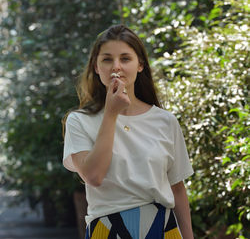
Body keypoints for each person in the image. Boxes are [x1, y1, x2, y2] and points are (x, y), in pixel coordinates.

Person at [63, 24, 194, 239]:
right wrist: (111, 114)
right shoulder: (79, 121)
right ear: (96, 67)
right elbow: (93, 176)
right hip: (106, 231)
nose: (116, 67)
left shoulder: (165, 121)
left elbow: (177, 188)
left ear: (140, 64)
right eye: (107, 59)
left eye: (125, 59)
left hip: (162, 229)